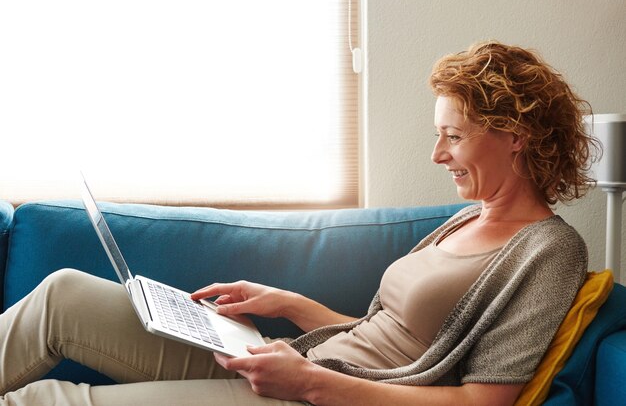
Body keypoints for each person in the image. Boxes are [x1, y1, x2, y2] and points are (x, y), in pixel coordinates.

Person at [0, 41, 600, 405]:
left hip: (316, 397)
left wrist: (310, 385)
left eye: (453, 137)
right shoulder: (464, 221)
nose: (438, 155)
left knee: (44, 400)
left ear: (515, 137)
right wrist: (288, 305)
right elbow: (384, 337)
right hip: (295, 363)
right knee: (61, 295)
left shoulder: (548, 251)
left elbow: (484, 399)